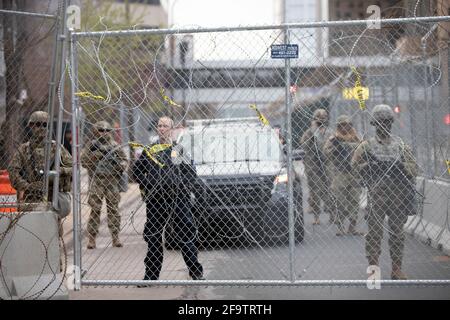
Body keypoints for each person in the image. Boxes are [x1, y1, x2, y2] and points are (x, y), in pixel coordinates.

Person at [132, 116, 204, 281]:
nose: (162, 128)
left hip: (177, 199)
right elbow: (136, 172)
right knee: (154, 237)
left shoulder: (178, 150)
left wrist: (181, 187)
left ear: (172, 129)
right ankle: (151, 276)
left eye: (165, 126)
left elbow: (190, 174)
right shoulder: (150, 151)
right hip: (156, 200)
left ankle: (196, 272)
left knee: (186, 235)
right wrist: (149, 183)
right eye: (160, 126)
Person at [352, 104, 418, 280]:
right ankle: (373, 270)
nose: (384, 125)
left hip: (398, 196)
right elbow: (354, 167)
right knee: (374, 234)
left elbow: (414, 168)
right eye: (381, 122)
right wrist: (370, 166)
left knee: (397, 233)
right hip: (377, 196)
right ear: (375, 123)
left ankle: (396, 269)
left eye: (387, 122)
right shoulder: (366, 146)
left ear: (391, 123)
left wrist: (400, 167)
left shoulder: (400, 145)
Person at [8, 111, 72, 210]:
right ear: (31, 126)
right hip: (31, 198)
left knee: (53, 224)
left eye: (45, 125)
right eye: (38, 124)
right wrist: (27, 186)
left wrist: (60, 171)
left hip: (54, 197)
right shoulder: (24, 149)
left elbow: (73, 167)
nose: (42, 128)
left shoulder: (57, 148)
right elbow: (13, 171)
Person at [81, 121, 128, 249]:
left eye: (107, 130)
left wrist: (120, 166)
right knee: (95, 209)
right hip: (97, 180)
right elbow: (83, 161)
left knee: (113, 209)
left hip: (112, 181)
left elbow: (125, 160)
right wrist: (95, 156)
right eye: (101, 130)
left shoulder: (115, 146)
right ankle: (92, 238)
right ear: (96, 131)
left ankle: (115, 237)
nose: (104, 133)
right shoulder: (92, 146)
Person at [323, 115, 363, 236]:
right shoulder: (334, 138)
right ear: (339, 126)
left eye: (348, 124)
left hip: (354, 174)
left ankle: (352, 226)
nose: (346, 127)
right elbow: (325, 152)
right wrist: (334, 150)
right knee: (339, 200)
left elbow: (363, 149)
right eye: (343, 125)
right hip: (340, 173)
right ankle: (340, 226)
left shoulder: (356, 137)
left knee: (354, 200)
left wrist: (349, 147)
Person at [300, 108, 334, 225]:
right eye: (319, 119)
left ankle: (332, 214)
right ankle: (316, 216)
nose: (321, 121)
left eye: (323, 118)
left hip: (327, 164)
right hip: (313, 165)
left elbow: (335, 148)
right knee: (315, 191)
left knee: (330, 190)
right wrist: (313, 132)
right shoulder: (309, 132)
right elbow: (304, 146)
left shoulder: (330, 133)